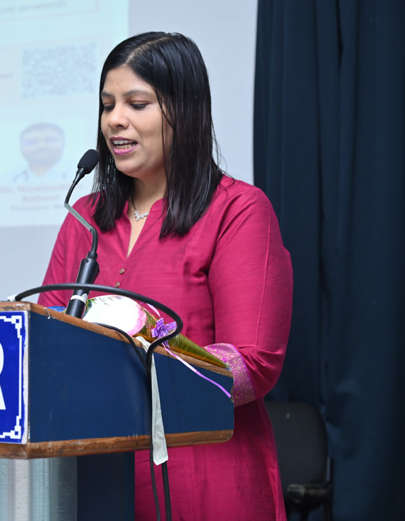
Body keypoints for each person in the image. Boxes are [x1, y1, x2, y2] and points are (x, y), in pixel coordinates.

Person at [38, 32, 292, 520]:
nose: (115, 119)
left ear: (185, 110)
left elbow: (252, 362)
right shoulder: (84, 217)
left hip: (204, 480)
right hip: (96, 480)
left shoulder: (238, 210)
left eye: (137, 104)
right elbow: (47, 339)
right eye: (107, 105)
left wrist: (131, 378)